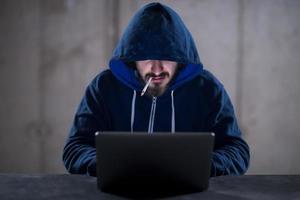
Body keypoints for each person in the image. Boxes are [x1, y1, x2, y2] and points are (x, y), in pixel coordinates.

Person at [63, 2, 250, 177]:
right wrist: (107, 165)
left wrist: (201, 166)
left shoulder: (209, 90)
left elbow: (237, 150)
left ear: (181, 57)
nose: (157, 69)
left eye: (167, 57)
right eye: (146, 57)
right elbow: (76, 146)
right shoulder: (103, 87)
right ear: (131, 58)